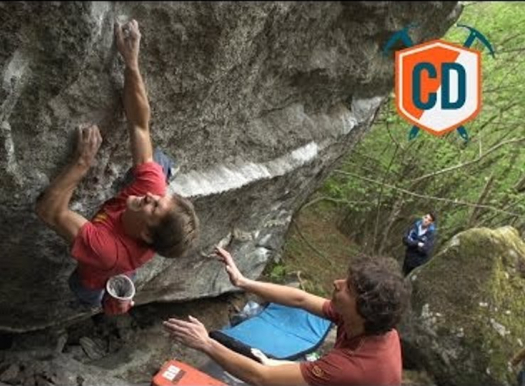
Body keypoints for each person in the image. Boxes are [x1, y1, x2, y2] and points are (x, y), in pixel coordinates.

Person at [35, 19, 200, 314]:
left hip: (104, 266)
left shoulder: (104, 249)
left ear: (148, 235)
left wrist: (82, 162)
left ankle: (97, 305)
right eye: (160, 198)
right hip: (129, 248)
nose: (152, 196)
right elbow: (139, 126)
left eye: (155, 207)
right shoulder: (153, 192)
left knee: (87, 287)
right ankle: (122, 294)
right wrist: (131, 62)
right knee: (156, 162)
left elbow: (49, 212)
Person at [163, 247, 410, 386]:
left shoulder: (349, 367)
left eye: (348, 287)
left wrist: (206, 342)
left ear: (363, 309)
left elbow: (261, 377)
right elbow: (300, 299)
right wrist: (242, 281)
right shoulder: (369, 322)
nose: (337, 283)